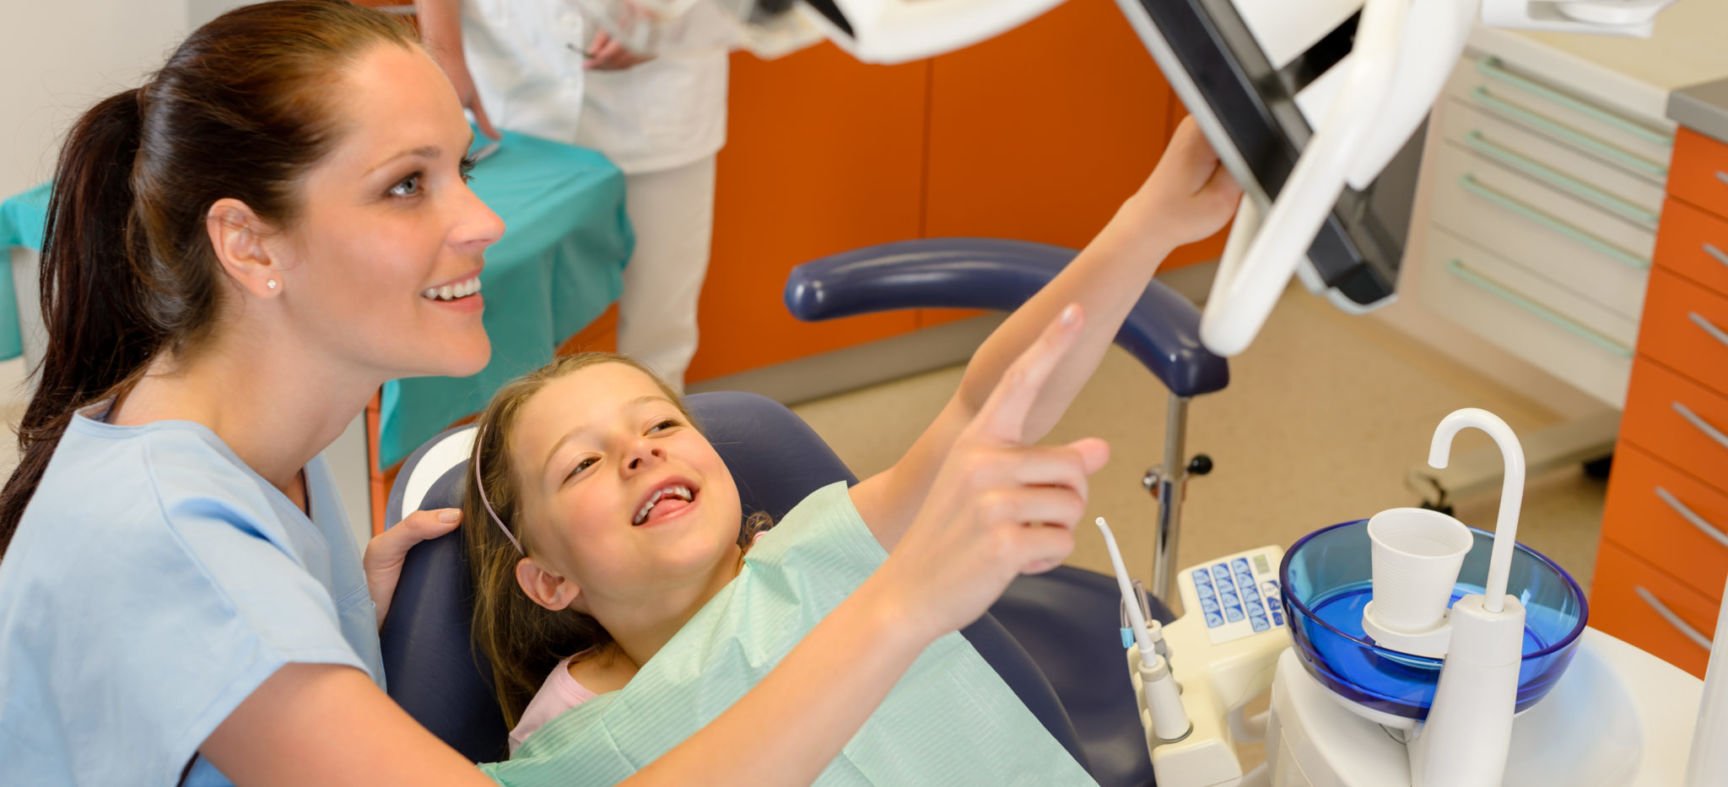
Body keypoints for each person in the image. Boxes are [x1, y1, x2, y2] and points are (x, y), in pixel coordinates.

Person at [0, 3, 1145, 784]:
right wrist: (903, 606)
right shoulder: (180, 542)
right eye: (406, 185)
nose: (483, 223)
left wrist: (323, 612)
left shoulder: (272, 453)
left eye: (463, 167)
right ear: (251, 247)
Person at [462, 118, 1241, 781]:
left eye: (661, 425)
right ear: (548, 578)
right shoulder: (564, 737)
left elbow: (980, 405)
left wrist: (1153, 220)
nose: (640, 452)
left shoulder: (811, 558)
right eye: (583, 463)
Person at [416, 0, 743, 390]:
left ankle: (655, 438)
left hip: (660, 95)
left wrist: (675, 20)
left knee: (659, 326)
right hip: (510, 82)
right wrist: (443, 56)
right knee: (501, 325)